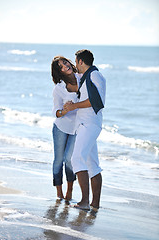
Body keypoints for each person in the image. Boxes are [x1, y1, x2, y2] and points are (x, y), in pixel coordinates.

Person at [64, 49, 106, 211]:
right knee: (93, 165)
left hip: (90, 124)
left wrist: (74, 106)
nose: (75, 65)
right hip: (85, 125)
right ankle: (94, 204)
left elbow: (97, 101)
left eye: (76, 62)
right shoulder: (88, 76)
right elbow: (75, 87)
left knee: (77, 159)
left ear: (81, 62)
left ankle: (84, 202)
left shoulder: (95, 75)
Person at [51, 56, 80, 200]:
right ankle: (59, 191)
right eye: (60, 66)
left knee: (69, 159)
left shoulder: (82, 79)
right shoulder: (59, 88)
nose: (65, 66)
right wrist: (64, 111)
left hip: (77, 128)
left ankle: (70, 190)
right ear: (59, 72)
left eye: (65, 62)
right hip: (61, 127)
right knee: (59, 160)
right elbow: (56, 112)